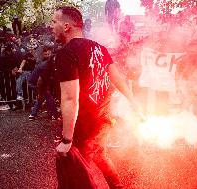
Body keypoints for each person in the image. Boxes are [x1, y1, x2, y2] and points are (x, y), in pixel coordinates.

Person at [51, 6, 140, 189]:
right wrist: (135, 103)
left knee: (78, 176)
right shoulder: (100, 48)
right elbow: (118, 79)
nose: (51, 26)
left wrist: (67, 140)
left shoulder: (66, 53)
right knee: (100, 155)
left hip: (83, 127)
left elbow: (70, 99)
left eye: (54, 22)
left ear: (66, 26)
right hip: (102, 121)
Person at [28, 46, 59, 120]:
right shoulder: (46, 66)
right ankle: (54, 115)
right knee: (48, 97)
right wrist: (39, 93)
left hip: (34, 82)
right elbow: (40, 81)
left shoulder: (49, 63)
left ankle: (32, 115)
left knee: (41, 98)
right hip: (35, 83)